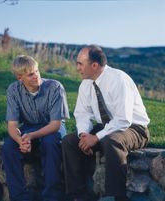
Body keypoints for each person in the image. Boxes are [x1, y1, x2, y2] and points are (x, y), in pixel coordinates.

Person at [62, 45, 150, 201]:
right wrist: (84, 135)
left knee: (112, 141)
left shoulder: (118, 79)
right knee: (69, 141)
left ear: (94, 65)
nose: (77, 68)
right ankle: (79, 195)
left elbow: (123, 119)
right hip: (107, 126)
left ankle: (116, 196)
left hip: (134, 129)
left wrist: (96, 138)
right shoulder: (86, 84)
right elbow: (82, 114)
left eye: (80, 64)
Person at [1, 55, 69, 201]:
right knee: (8, 147)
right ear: (20, 78)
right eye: (31, 74)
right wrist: (20, 140)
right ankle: (19, 197)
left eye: (37, 71)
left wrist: (31, 137)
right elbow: (12, 125)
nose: (36, 76)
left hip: (52, 128)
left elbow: (56, 124)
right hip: (29, 128)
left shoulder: (55, 87)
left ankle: (53, 196)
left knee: (50, 143)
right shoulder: (13, 90)